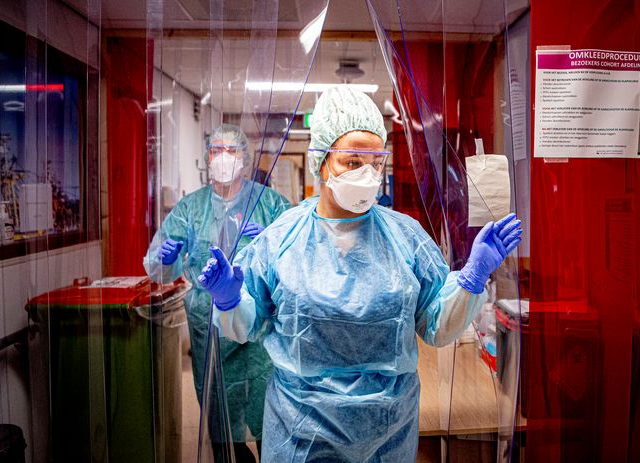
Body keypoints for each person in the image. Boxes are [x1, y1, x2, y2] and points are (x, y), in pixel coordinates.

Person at [198, 87, 522, 462]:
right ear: (320, 160)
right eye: (352, 162)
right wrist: (228, 300)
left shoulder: (406, 237)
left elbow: (435, 326)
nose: (366, 175)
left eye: (375, 163)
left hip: (387, 432)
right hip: (301, 432)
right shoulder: (282, 239)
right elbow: (249, 325)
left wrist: (472, 278)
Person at [143, 123, 291, 462]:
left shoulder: (269, 204)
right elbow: (160, 267)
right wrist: (167, 260)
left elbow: (297, 256)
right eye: (216, 151)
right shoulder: (190, 209)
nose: (223, 158)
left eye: (232, 151)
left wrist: (271, 238)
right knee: (219, 417)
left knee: (268, 412)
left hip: (259, 332)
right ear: (207, 157)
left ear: (245, 158)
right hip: (209, 332)